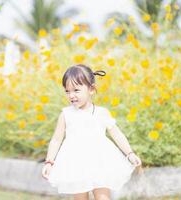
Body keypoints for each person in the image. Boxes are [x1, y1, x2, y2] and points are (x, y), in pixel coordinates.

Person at [41, 64, 142, 200]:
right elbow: (56, 139)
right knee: (80, 197)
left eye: (76, 90)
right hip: (76, 163)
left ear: (91, 89)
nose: (71, 95)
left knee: (102, 197)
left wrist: (129, 153)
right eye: (67, 91)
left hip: (100, 161)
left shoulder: (102, 113)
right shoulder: (66, 114)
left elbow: (116, 134)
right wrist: (49, 162)